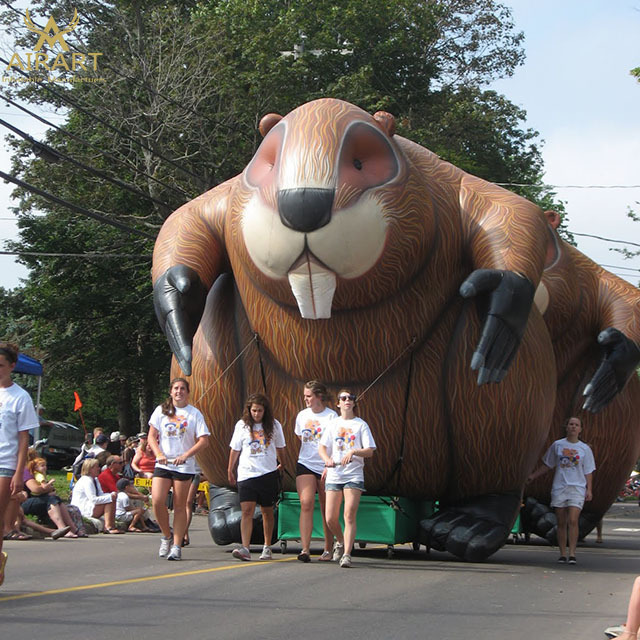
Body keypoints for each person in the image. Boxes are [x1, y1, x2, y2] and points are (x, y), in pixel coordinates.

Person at [148, 378, 210, 561]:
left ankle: (176, 545)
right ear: (171, 391)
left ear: (187, 392)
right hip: (163, 463)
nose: (179, 391)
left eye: (182, 389)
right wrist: (158, 453)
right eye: (176, 388)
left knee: (179, 505)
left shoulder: (194, 414)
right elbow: (152, 436)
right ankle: (166, 536)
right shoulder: (161, 411)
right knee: (157, 501)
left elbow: (204, 440)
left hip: (183, 466)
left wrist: (186, 455)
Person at [318, 389, 376, 568]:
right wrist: (327, 460)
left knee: (349, 514)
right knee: (330, 518)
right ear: (338, 403)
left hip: (353, 474)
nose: (347, 401)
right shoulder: (333, 424)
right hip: (335, 473)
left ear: (354, 402)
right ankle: (341, 541)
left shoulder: (361, 425)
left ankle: (347, 554)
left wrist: (354, 451)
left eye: (350, 398)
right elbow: (322, 447)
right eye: (343, 398)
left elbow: (370, 450)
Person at [527, 416, 595, 564]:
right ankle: (562, 553)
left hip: (577, 487)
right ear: (566, 427)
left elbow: (588, 471)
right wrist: (533, 476)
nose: (573, 427)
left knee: (573, 519)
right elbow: (548, 464)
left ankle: (572, 553)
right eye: (571, 424)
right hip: (560, 487)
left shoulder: (585, 449)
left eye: (576, 425)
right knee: (561, 521)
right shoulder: (557, 445)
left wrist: (589, 489)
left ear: (580, 429)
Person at [228, 393, 286, 562]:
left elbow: (281, 447)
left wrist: (282, 463)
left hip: (267, 473)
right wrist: (230, 468)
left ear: (265, 411)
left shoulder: (274, 426)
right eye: (254, 410)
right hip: (247, 473)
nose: (256, 414)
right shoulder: (242, 426)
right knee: (247, 511)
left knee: (267, 511)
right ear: (249, 410)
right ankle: (245, 547)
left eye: (260, 411)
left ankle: (267, 546)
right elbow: (235, 449)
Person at [0, 341, 39, 585]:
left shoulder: (20, 397)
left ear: (12, 366)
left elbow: (24, 439)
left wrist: (18, 474)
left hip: (5, 462)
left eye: (1, 365)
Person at [294, 380, 337, 562]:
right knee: (306, 502)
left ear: (319, 396)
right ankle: (305, 549)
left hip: (326, 464)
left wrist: (329, 463)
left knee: (327, 509)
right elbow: (299, 436)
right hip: (306, 462)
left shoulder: (332, 417)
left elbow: (336, 442)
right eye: (305, 396)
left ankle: (328, 548)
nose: (306, 399)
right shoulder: (302, 415)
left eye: (309, 396)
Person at [70, 458, 121, 534]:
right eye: (96, 467)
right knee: (109, 500)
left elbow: (100, 494)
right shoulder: (86, 480)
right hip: (83, 508)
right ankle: (108, 527)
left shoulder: (95, 479)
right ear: (90, 469)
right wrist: (109, 497)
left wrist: (111, 495)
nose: (99, 469)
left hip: (91, 505)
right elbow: (93, 499)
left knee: (111, 498)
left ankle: (112, 525)